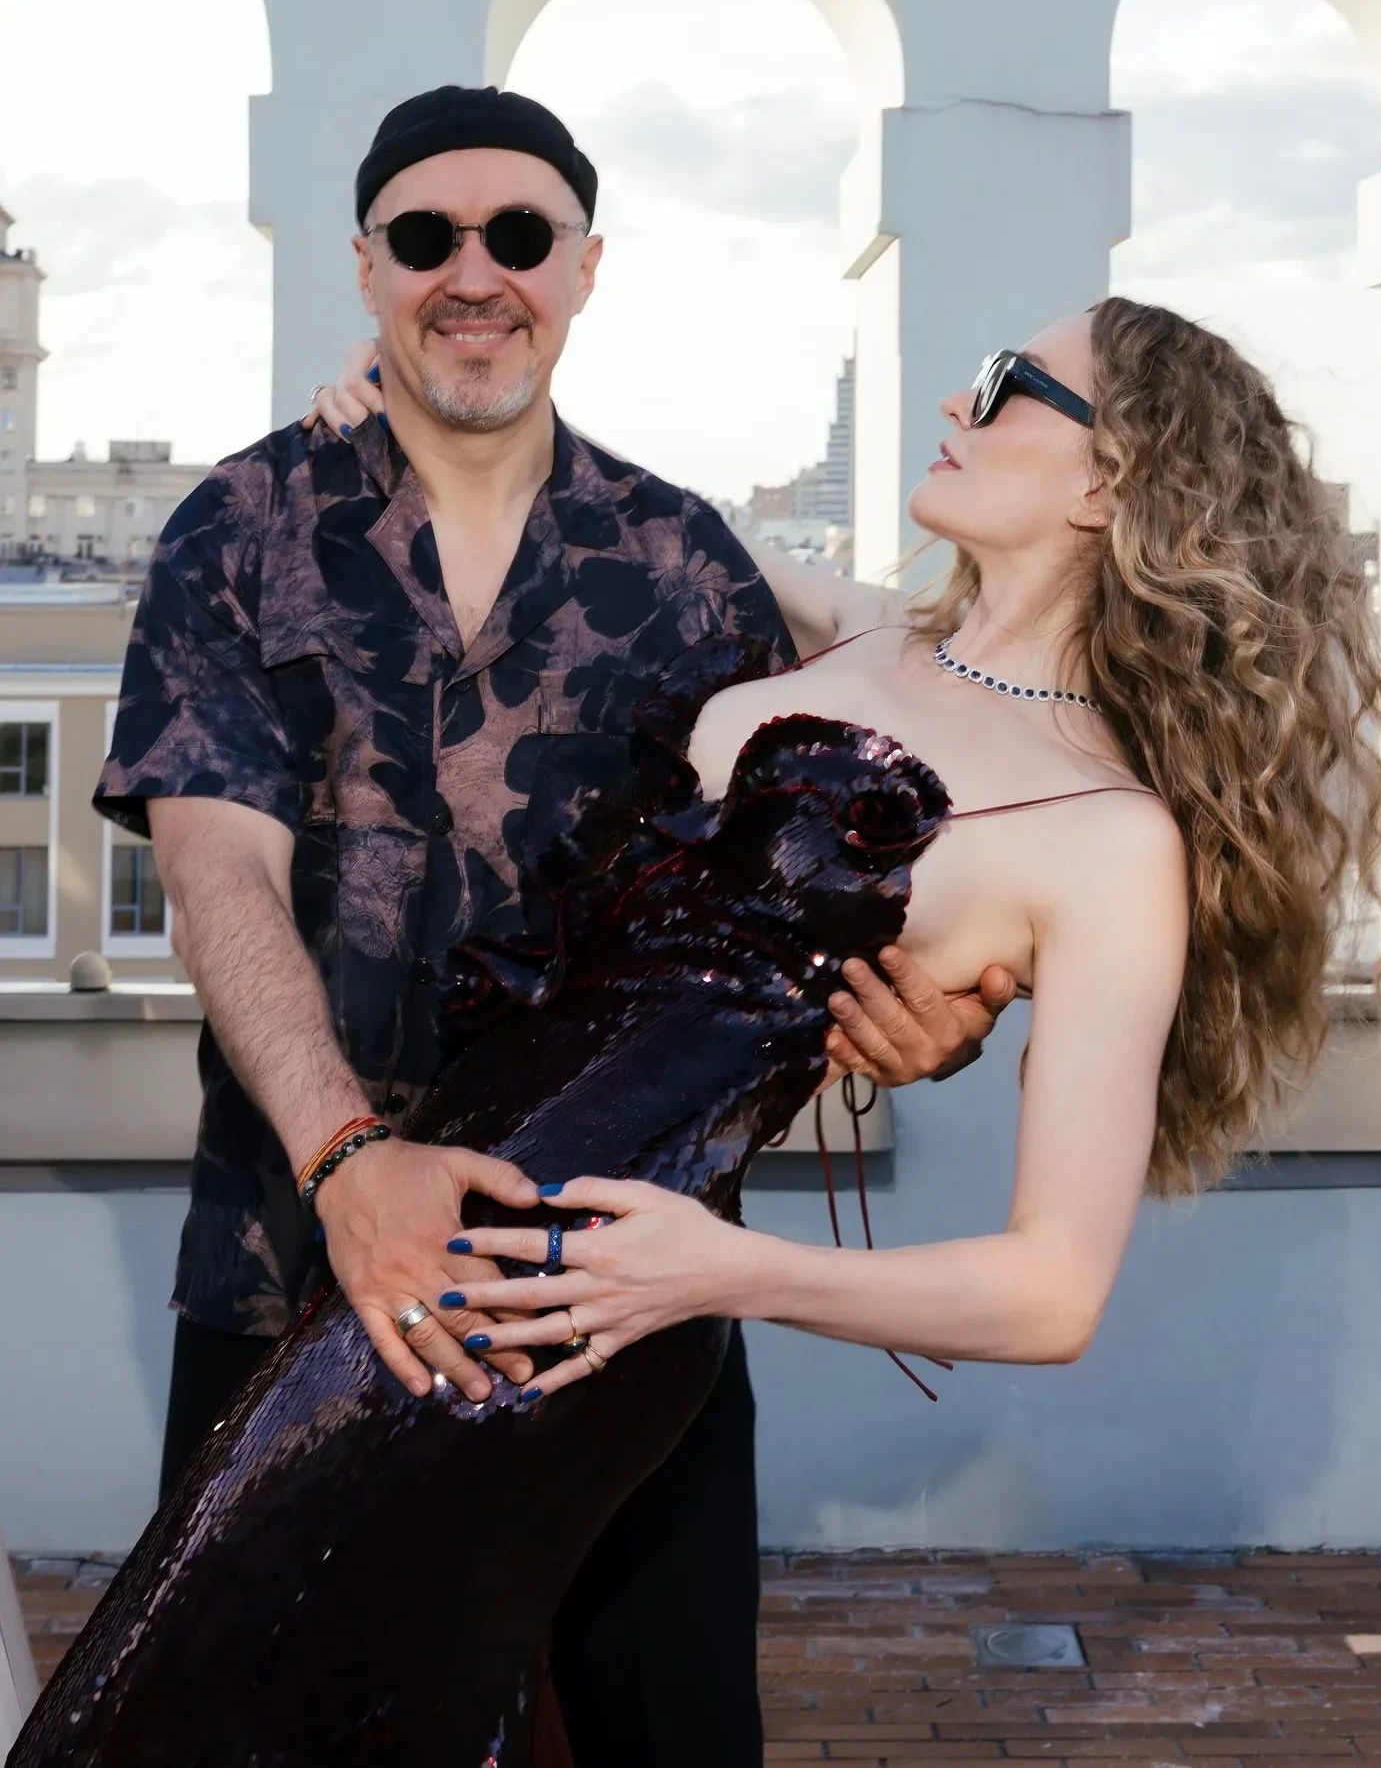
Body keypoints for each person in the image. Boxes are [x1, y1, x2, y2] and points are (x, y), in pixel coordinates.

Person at [80, 85, 1005, 1768]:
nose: (474, 272)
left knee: (672, 1738)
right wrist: (350, 1162)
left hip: (626, 1283)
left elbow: (802, 886)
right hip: (299, 1276)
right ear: (367, 266)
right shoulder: (242, 529)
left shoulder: (687, 561)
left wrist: (925, 1016)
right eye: (424, 236)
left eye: (520, 234)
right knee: (241, 1739)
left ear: (583, 267)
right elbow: (217, 872)